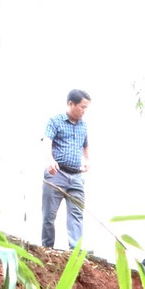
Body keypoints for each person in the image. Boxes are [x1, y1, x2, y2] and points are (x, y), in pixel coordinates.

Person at [41, 89, 91, 250]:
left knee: (76, 213)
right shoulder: (55, 121)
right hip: (57, 174)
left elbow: (85, 145)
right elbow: (47, 141)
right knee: (49, 215)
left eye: (86, 108)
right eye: (82, 107)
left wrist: (87, 160)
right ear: (71, 104)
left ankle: (76, 249)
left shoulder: (84, 125)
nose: (84, 111)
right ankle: (47, 248)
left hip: (76, 176)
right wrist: (50, 160)